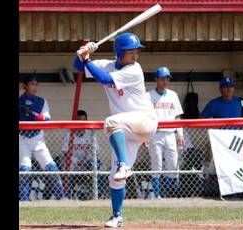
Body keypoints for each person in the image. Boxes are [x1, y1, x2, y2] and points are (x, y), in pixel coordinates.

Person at [73, 32, 158, 228]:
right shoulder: (106, 64)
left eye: (136, 51)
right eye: (131, 52)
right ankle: (117, 215)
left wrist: (87, 59)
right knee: (115, 177)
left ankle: (123, 164)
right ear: (119, 53)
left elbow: (104, 79)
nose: (135, 56)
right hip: (126, 128)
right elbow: (77, 67)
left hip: (144, 120)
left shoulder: (135, 70)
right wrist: (82, 54)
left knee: (111, 122)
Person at [200, 76, 243, 198]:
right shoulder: (214, 103)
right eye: (225, 87)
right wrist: (214, 127)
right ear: (220, 89)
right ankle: (223, 191)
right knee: (222, 168)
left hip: (238, 142)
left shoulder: (240, 102)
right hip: (222, 142)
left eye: (230, 87)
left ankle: (239, 191)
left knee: (238, 167)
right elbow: (201, 119)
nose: (228, 89)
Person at [19, 75, 64, 201]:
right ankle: (23, 200)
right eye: (32, 84)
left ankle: (61, 198)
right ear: (25, 86)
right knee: (25, 169)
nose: (35, 87)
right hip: (22, 138)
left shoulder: (42, 101)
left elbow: (47, 120)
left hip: (38, 139)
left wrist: (33, 114)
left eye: (36, 84)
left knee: (51, 167)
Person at [146, 67, 184, 199]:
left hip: (170, 134)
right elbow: (145, 117)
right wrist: (145, 135)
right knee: (156, 164)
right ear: (156, 79)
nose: (165, 81)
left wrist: (180, 134)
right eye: (162, 78)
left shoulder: (173, 95)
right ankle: (157, 195)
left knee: (173, 164)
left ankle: (172, 194)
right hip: (155, 134)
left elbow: (177, 116)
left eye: (167, 78)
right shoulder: (148, 96)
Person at [61, 110, 105, 199]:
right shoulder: (69, 134)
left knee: (97, 164)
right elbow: (66, 153)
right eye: (79, 120)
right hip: (73, 162)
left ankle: (99, 194)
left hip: (87, 162)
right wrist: (77, 161)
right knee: (66, 166)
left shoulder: (90, 133)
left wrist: (85, 161)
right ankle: (67, 195)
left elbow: (95, 151)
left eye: (84, 120)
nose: (82, 122)